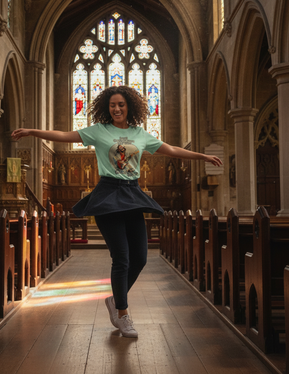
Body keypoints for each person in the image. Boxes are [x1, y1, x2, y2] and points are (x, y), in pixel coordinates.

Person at [11, 85, 222, 338]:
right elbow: (65, 135)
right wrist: (33, 132)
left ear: (129, 107)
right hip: (108, 195)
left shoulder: (141, 134)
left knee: (140, 258)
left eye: (121, 104)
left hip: (132, 194)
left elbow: (172, 149)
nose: (117, 108)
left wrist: (203, 157)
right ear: (107, 108)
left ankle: (114, 300)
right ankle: (123, 314)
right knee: (121, 257)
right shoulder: (99, 131)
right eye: (112, 105)